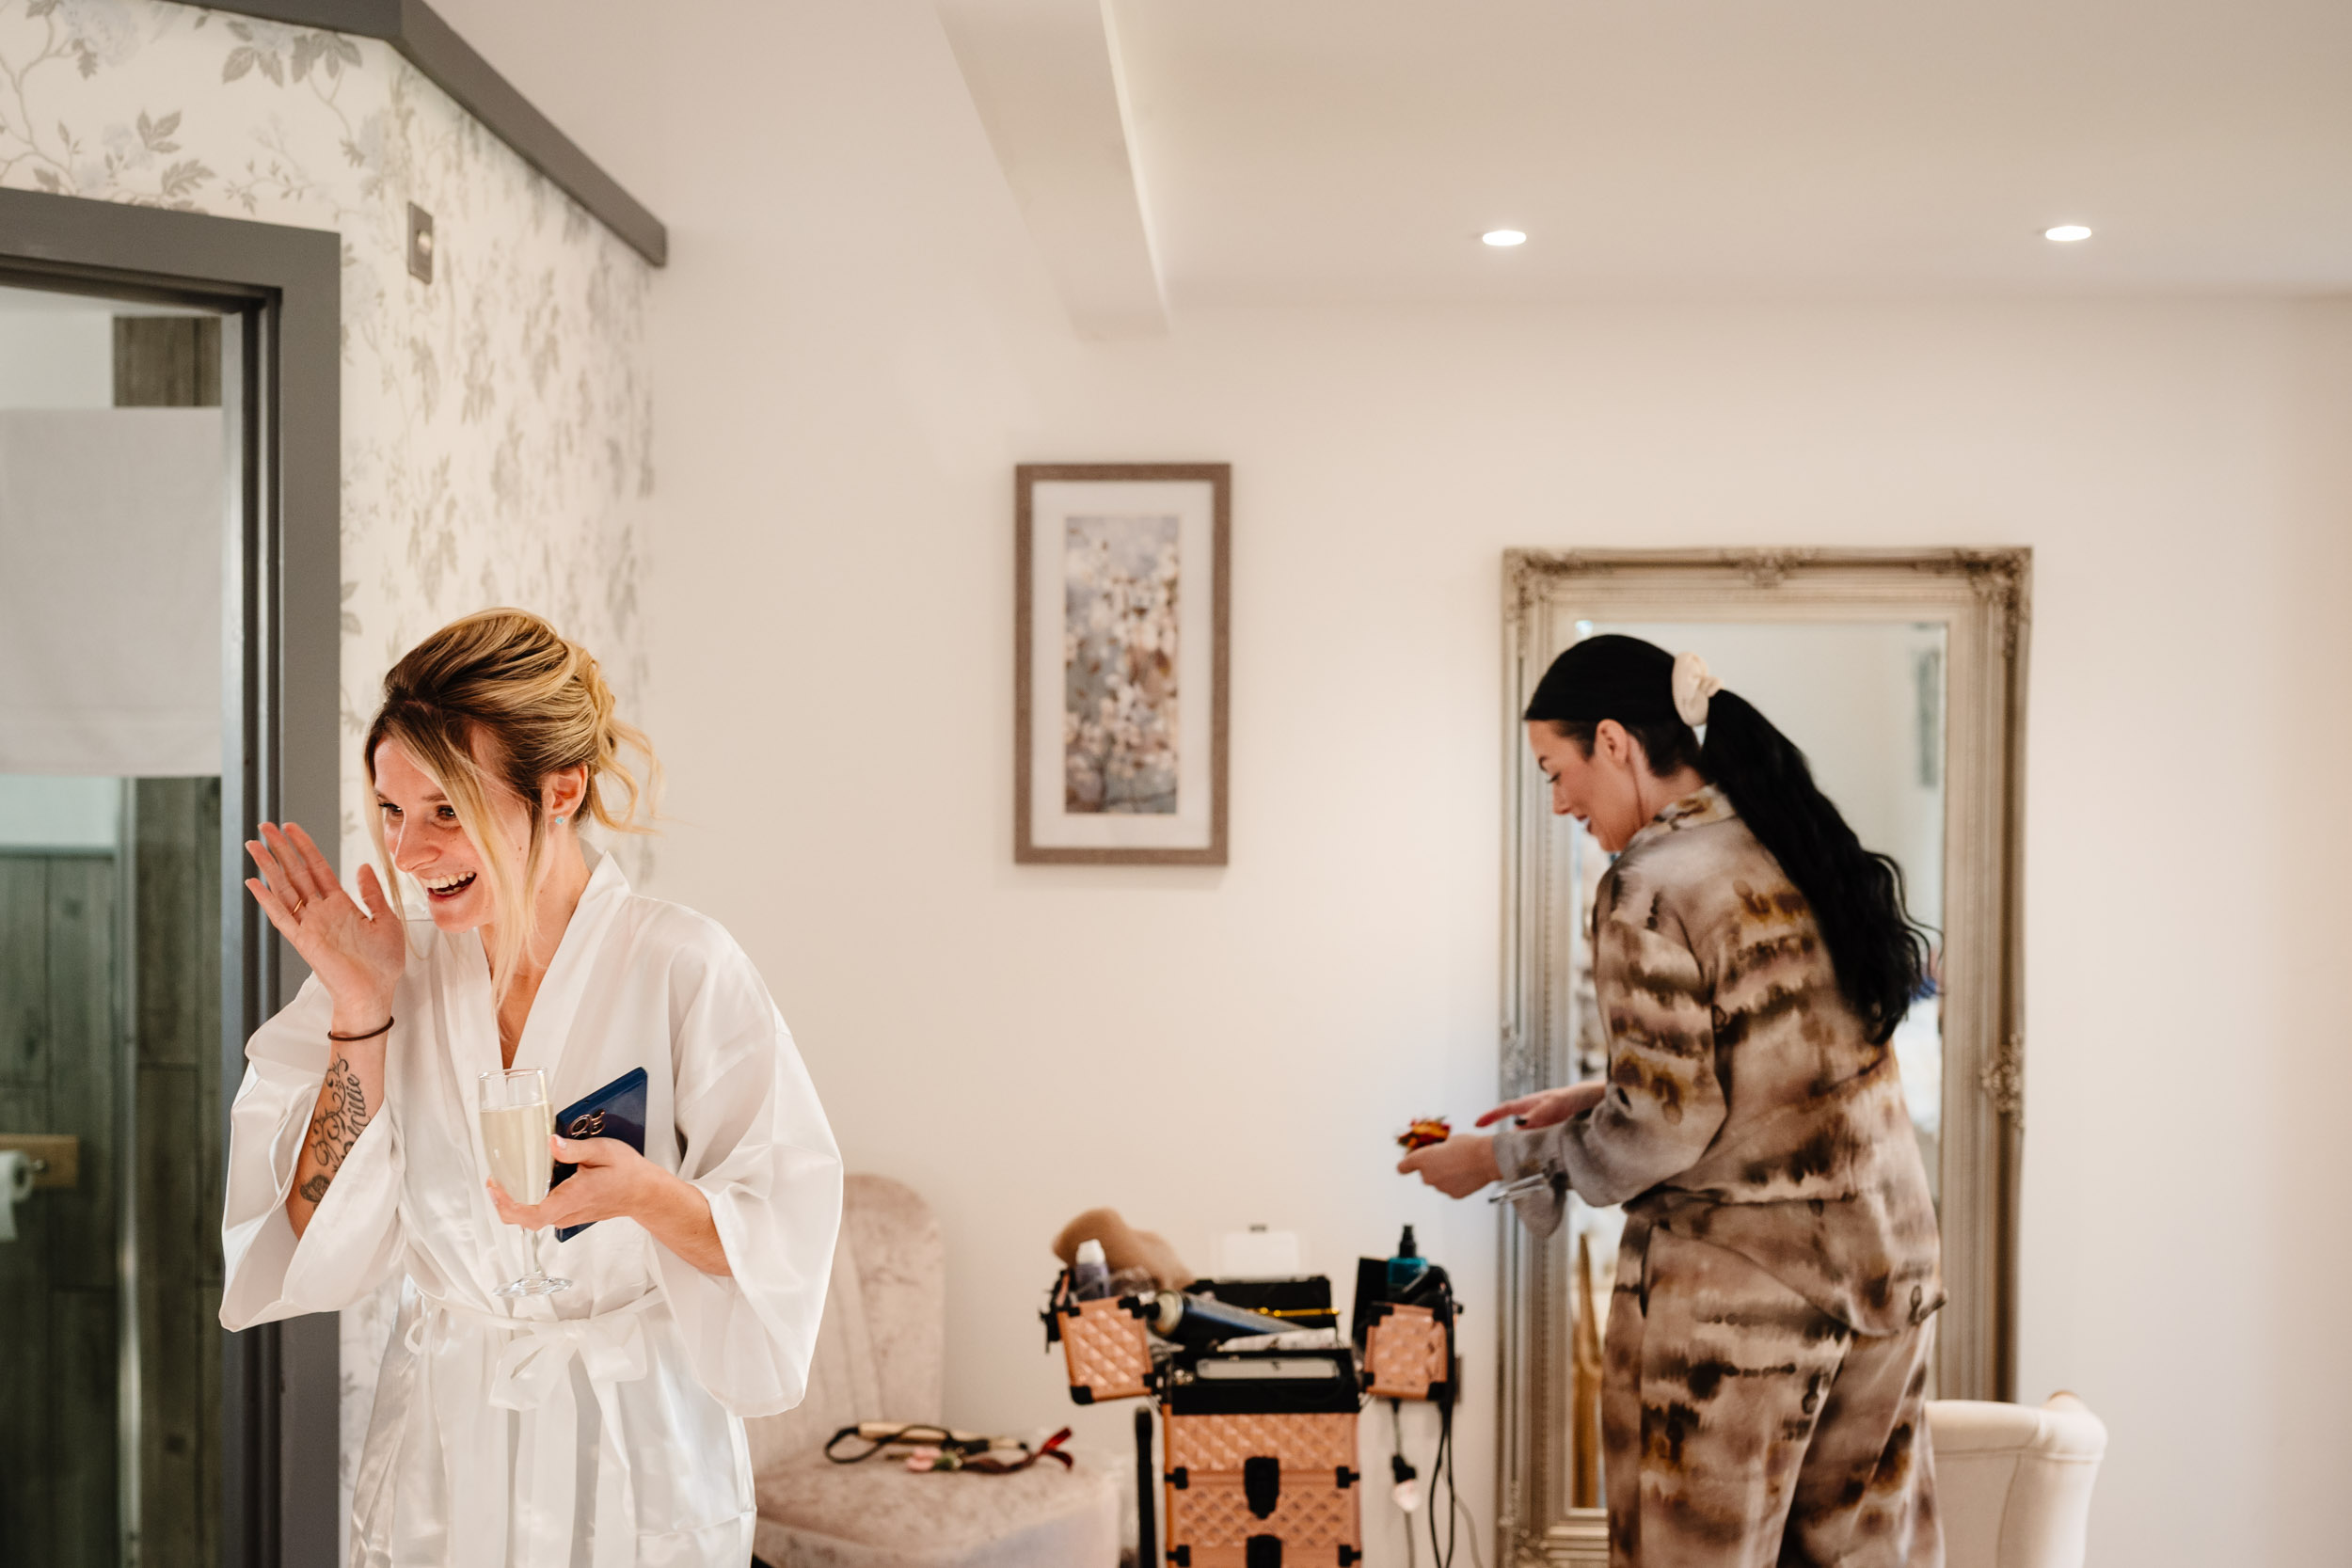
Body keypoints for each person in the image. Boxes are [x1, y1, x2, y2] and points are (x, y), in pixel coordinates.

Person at [219, 609, 842, 1568]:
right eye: (393, 811)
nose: (412, 851)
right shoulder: (396, 969)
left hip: (634, 1446)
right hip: (446, 1445)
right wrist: (360, 1002)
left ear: (559, 790)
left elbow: (784, 1232)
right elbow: (309, 1227)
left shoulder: (681, 965)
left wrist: (648, 1196)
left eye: (447, 810)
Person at [1400, 634, 1944, 1568]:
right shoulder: (1791, 842)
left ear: (1613, 741)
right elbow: (1785, 1064)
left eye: (1555, 769)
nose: (1561, 800)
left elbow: (1665, 1123)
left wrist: (1496, 1159)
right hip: (1886, 1277)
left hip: (1741, 1302)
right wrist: (1588, 1097)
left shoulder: (1649, 884)